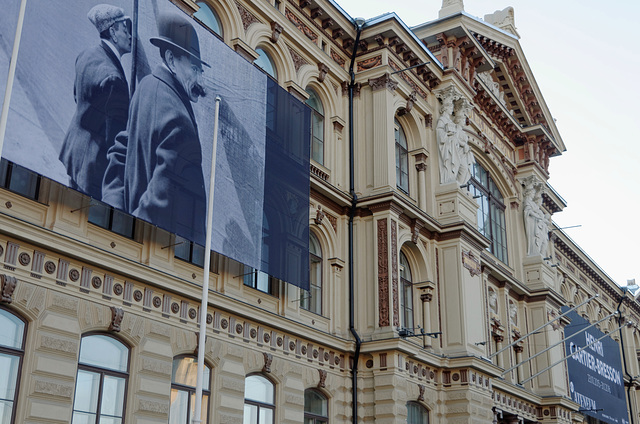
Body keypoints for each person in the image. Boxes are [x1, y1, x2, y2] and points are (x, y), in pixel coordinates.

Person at [102, 11, 210, 242]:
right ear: (171, 59)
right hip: (156, 251)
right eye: (194, 68)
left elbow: (119, 152)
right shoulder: (180, 120)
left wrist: (116, 211)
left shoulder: (146, 86)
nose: (202, 83)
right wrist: (129, 233)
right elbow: (162, 204)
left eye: (201, 71)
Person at [59, 4, 132, 199]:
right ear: (114, 32)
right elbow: (115, 136)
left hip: (74, 153)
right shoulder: (113, 78)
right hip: (92, 170)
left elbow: (77, 95)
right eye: (126, 29)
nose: (131, 35)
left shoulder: (87, 54)